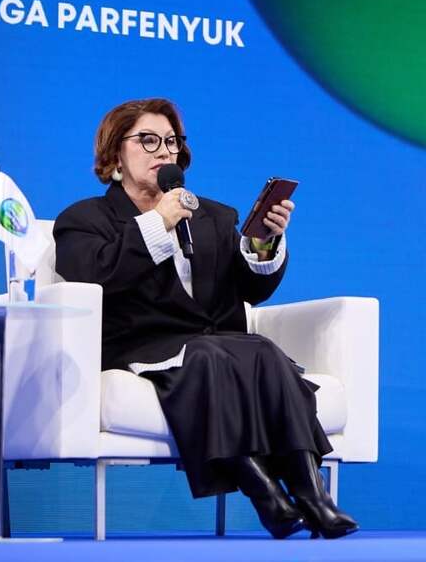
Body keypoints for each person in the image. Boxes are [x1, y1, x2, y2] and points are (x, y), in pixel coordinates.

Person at [54, 98, 358, 539]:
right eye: (148, 140)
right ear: (115, 154)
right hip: (142, 346)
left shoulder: (213, 216)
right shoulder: (83, 219)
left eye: (171, 142)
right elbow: (95, 275)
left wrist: (264, 242)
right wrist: (157, 222)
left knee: (263, 351)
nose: (164, 151)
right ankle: (265, 495)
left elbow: (251, 290)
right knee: (209, 356)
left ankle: (313, 496)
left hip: (217, 344)